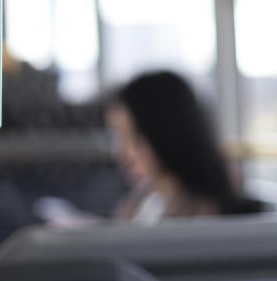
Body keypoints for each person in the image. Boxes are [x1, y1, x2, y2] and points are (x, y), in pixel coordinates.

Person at [106, 71, 261, 223]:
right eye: (119, 137)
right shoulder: (143, 199)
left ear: (165, 134)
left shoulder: (203, 216)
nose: (122, 152)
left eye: (135, 137)